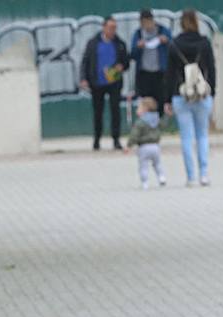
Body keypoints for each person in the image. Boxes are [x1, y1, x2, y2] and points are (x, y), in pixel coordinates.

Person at [165, 9, 217, 186]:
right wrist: (213, 93)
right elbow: (212, 68)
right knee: (202, 136)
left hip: (181, 95)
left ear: (181, 23)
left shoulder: (174, 44)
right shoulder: (204, 43)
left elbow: (170, 74)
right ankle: (204, 174)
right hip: (202, 94)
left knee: (186, 137)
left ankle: (190, 177)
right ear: (196, 22)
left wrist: (167, 99)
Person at [79, 17, 130, 151]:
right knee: (98, 112)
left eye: (115, 28)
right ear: (104, 27)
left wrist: (121, 67)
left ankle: (116, 139)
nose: (113, 30)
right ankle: (97, 139)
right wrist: (84, 78)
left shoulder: (119, 44)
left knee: (115, 111)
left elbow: (126, 62)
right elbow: (85, 61)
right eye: (110, 27)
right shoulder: (93, 43)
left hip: (114, 82)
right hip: (97, 82)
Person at [129, 8, 172, 112]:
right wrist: (138, 47)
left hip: (160, 72)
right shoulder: (138, 34)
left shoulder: (163, 31)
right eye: (143, 23)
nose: (146, 25)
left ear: (152, 20)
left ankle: (160, 123)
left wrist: (166, 42)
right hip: (144, 73)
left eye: (148, 22)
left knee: (161, 99)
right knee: (146, 102)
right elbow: (132, 55)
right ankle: (147, 124)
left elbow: (173, 48)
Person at [127, 96, 167, 189]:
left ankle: (145, 182)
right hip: (156, 147)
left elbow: (134, 135)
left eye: (139, 108)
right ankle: (161, 177)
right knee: (157, 164)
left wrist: (129, 145)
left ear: (145, 109)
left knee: (143, 166)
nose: (137, 110)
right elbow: (163, 125)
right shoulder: (156, 119)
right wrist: (167, 116)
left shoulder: (140, 122)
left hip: (143, 147)